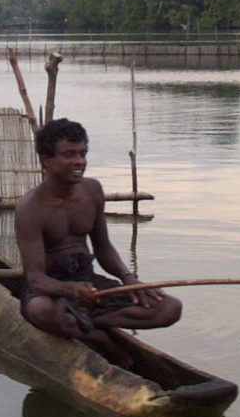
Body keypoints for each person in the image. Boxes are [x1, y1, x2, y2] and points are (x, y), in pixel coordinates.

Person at [15, 118, 180, 365]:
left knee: (169, 308)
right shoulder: (30, 208)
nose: (79, 161)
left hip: (88, 284)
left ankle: (84, 322)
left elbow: (103, 248)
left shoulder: (92, 191)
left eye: (82, 153)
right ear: (45, 160)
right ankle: (98, 338)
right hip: (51, 290)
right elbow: (35, 279)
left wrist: (128, 278)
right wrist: (69, 290)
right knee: (41, 311)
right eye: (69, 154)